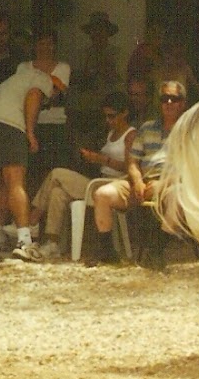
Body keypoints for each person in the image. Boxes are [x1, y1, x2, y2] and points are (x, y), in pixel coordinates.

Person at [84, 80, 187, 266]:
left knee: (178, 196)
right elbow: (132, 161)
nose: (169, 103)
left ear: (183, 103)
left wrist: (164, 183)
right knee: (102, 194)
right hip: (142, 182)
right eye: (165, 98)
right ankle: (108, 253)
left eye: (174, 98)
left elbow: (193, 167)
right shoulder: (147, 128)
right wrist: (138, 181)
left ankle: (155, 253)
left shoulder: (190, 130)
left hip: (171, 185)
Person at [22, 90, 135, 259]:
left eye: (112, 116)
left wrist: (102, 159)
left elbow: (131, 166)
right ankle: (52, 243)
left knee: (57, 174)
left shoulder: (130, 135)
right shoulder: (111, 133)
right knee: (58, 192)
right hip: (100, 180)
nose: (108, 120)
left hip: (115, 184)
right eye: (105, 116)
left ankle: (31, 222)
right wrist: (91, 158)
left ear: (124, 113)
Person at [0, 63, 55, 260]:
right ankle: (24, 239)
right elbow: (34, 96)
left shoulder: (13, 80)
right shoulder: (42, 79)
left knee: (2, 182)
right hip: (8, 123)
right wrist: (30, 132)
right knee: (16, 181)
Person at [19, 28, 72, 181]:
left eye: (49, 44)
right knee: (32, 171)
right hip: (30, 124)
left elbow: (57, 93)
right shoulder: (23, 67)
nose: (46, 47)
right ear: (35, 45)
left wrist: (38, 97)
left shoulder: (63, 67)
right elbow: (21, 93)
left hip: (56, 124)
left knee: (54, 171)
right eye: (42, 43)